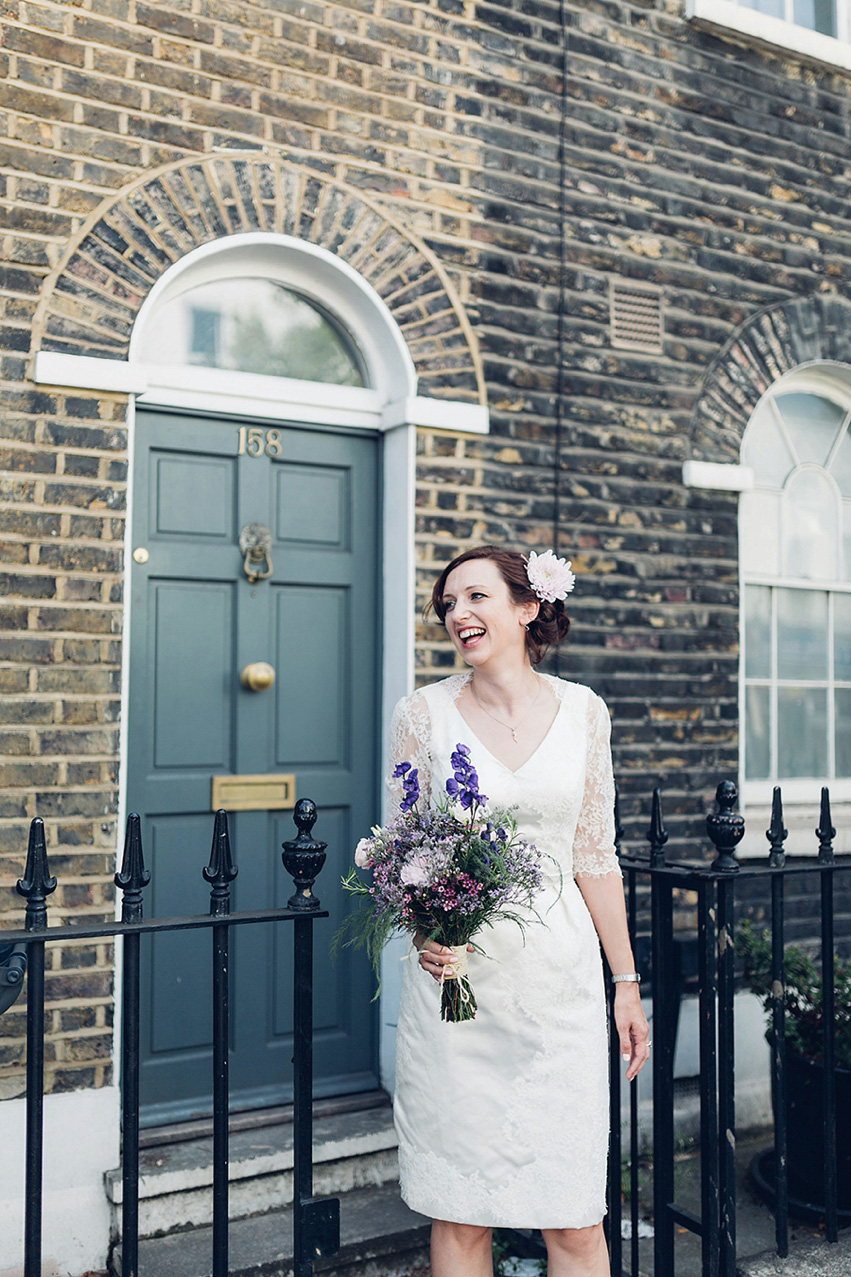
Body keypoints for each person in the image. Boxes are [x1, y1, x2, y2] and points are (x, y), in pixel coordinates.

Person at [386, 545, 650, 1277]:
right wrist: (425, 929)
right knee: (461, 1211)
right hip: (457, 992)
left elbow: (595, 856)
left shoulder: (583, 713)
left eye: (474, 597)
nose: (457, 615)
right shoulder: (421, 715)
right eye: (446, 604)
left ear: (527, 607)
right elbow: (406, 854)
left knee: (573, 1216)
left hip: (555, 989)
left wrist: (624, 982)